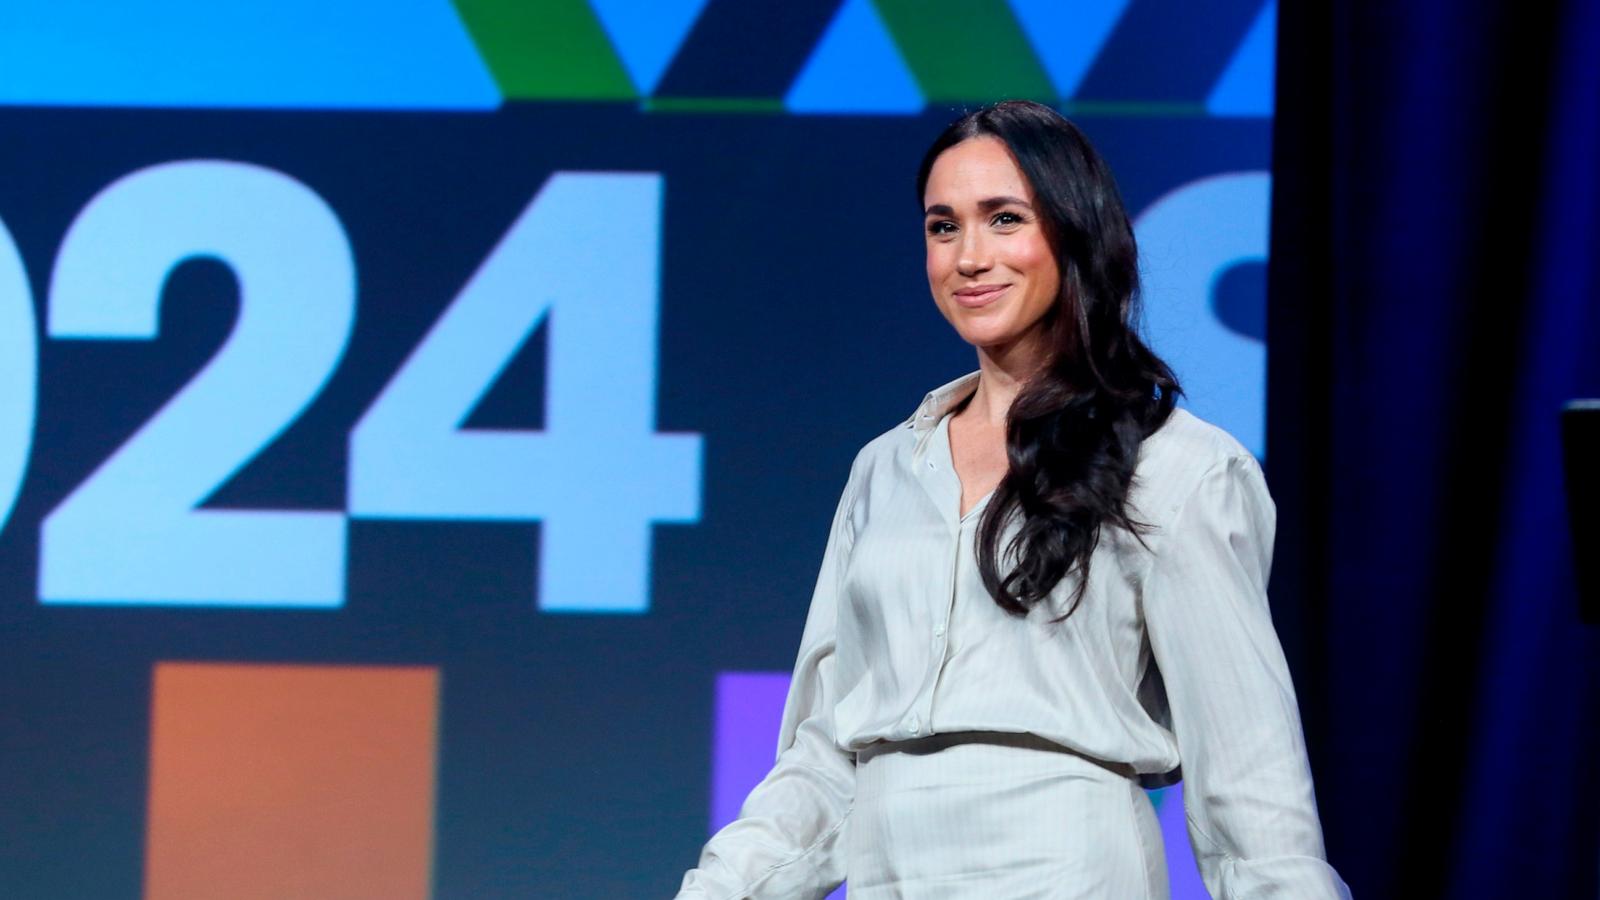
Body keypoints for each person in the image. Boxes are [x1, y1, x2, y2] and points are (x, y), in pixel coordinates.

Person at [675, 100, 1349, 899]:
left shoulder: (1176, 465)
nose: (968, 256)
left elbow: (1247, 775)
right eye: (942, 226)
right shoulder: (887, 469)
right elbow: (827, 755)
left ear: (1074, 231)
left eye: (1003, 219)